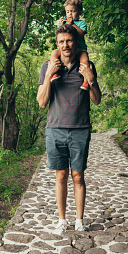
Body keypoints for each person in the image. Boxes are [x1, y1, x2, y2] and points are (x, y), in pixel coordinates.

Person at [37, 23, 101, 234]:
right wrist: (48, 76)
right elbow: (41, 102)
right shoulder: (48, 66)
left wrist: (90, 80)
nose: (65, 45)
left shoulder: (86, 65)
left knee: (78, 176)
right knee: (61, 176)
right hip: (55, 129)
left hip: (80, 129)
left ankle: (80, 221)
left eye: (69, 40)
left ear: (76, 43)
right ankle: (62, 220)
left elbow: (97, 100)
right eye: (61, 41)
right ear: (57, 44)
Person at [49, 0, 90, 90]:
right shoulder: (66, 22)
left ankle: (86, 81)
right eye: (67, 12)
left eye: (73, 11)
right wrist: (63, 25)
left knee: (85, 61)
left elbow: (81, 33)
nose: (70, 14)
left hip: (80, 48)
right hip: (66, 48)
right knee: (54, 53)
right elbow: (63, 34)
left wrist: (73, 24)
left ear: (80, 12)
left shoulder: (81, 23)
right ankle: (54, 72)